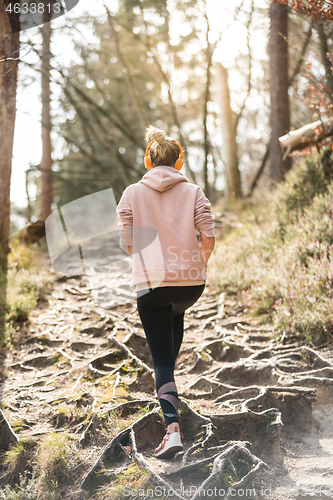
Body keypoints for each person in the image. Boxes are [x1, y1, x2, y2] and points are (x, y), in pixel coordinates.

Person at [116, 126, 215, 459]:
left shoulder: (131, 193)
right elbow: (209, 236)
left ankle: (172, 429)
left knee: (161, 358)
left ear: (148, 159)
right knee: (171, 334)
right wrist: (198, 262)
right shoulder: (195, 191)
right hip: (190, 285)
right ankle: (168, 390)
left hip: (152, 285)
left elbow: (127, 244)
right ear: (179, 161)